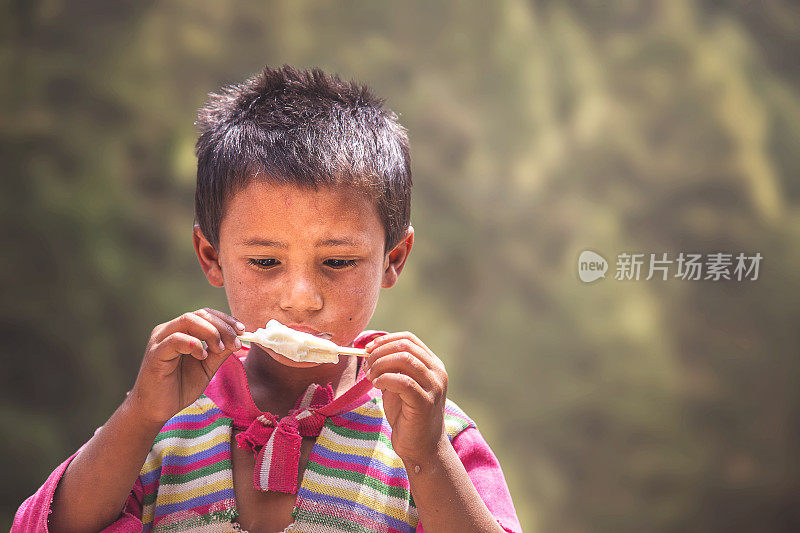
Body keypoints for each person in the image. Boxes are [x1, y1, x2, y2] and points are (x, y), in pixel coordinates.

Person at [13, 65, 521, 533]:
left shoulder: (434, 431)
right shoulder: (162, 424)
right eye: (264, 263)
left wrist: (427, 457)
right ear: (210, 256)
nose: (300, 300)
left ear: (394, 258)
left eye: (338, 262)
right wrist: (141, 414)